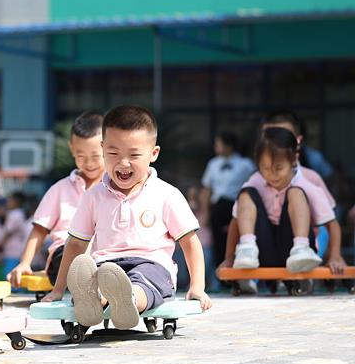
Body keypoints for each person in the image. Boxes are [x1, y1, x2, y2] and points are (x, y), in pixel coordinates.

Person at [43, 105, 212, 330]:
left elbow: (190, 243)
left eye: (133, 155)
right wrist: (57, 289)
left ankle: (129, 301)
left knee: (143, 282)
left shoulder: (166, 194)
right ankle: (93, 300)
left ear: (154, 153)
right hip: (105, 265)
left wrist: (197, 286)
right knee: (95, 275)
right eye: (113, 154)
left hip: (152, 264)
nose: (123, 163)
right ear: (103, 149)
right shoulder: (93, 196)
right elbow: (75, 244)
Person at [219, 112, 347, 276]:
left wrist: (335, 256)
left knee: (295, 192)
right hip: (263, 249)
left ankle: (301, 248)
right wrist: (229, 258)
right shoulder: (255, 180)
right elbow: (235, 221)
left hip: (296, 248)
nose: (272, 175)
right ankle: (247, 248)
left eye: (278, 168)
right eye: (265, 168)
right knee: (246, 193)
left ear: (294, 160)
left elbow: (332, 223)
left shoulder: (306, 182)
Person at [7, 112, 104, 288]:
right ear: (72, 148)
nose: (89, 163)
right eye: (81, 156)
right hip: (65, 257)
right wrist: (24, 263)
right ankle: (89, 291)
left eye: (96, 156)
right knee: (77, 259)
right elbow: (39, 230)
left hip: (104, 256)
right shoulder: (59, 189)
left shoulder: (114, 188)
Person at [200, 132, 255, 269]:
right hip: (217, 208)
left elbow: (254, 185)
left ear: (228, 146)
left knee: (239, 240)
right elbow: (207, 189)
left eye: (218, 144)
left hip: (236, 206)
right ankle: (221, 275)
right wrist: (205, 213)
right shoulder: (213, 164)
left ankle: (241, 272)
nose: (216, 147)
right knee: (218, 243)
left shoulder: (245, 164)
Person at [1, 191, 30, 279]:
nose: (7, 202)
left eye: (10, 200)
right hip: (17, 250)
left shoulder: (14, 214)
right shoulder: (20, 213)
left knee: (11, 278)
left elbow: (7, 233)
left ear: (16, 201)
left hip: (13, 251)